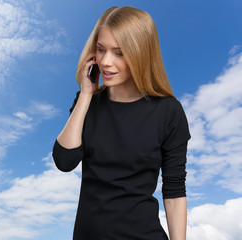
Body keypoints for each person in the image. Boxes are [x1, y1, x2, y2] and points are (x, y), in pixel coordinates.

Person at [52, 6, 191, 240]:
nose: (106, 61)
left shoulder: (169, 112)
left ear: (141, 54)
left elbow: (174, 191)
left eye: (119, 52)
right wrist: (86, 94)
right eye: (100, 49)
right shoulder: (87, 103)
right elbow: (64, 161)